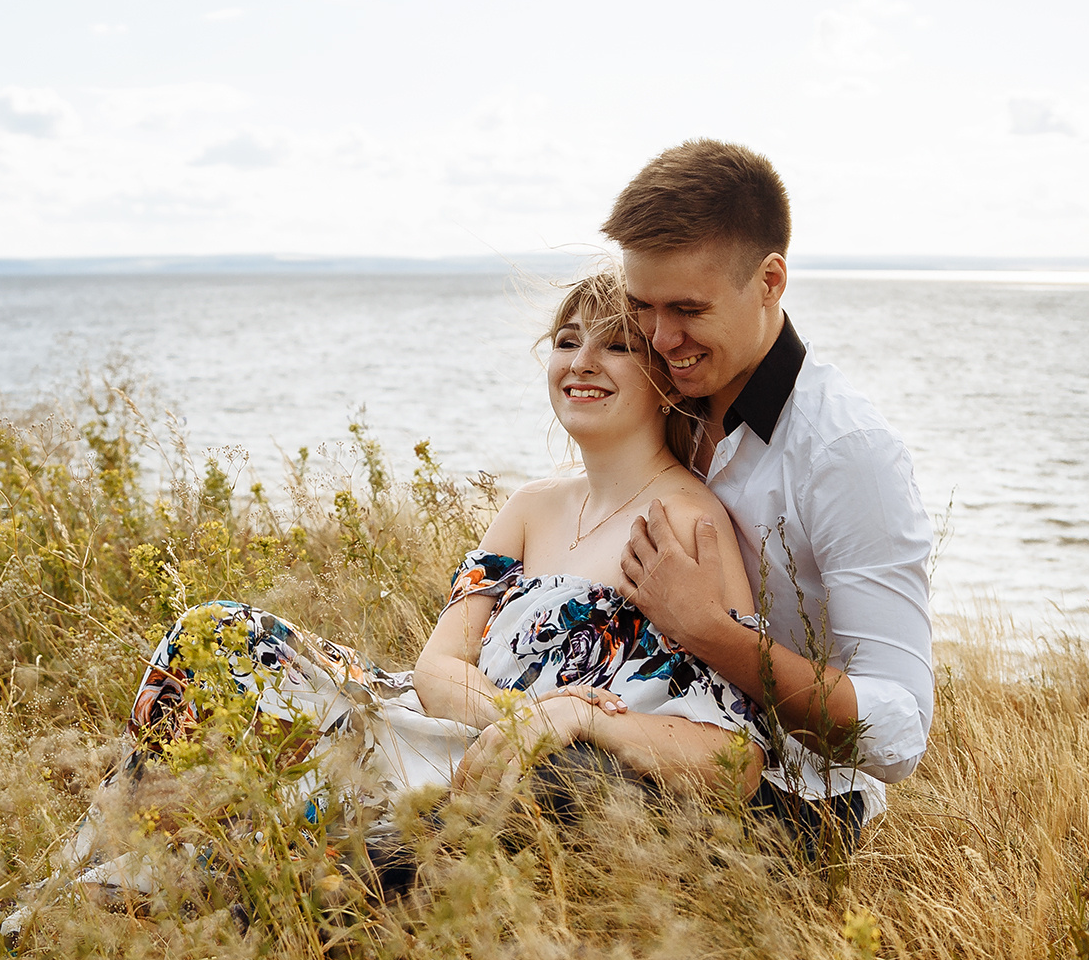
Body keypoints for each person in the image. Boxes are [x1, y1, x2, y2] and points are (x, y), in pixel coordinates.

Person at [79, 269, 761, 903]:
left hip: (514, 782)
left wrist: (573, 718)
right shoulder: (531, 506)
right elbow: (437, 668)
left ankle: (150, 882)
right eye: (566, 340)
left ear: (665, 380)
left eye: (615, 346)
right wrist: (520, 719)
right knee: (213, 634)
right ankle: (100, 858)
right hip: (440, 724)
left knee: (277, 811)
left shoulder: (686, 521)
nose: (581, 362)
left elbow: (732, 756)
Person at [603, 139, 936, 853]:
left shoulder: (848, 454)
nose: (661, 339)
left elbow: (900, 729)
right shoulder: (658, 398)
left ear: (771, 281)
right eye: (641, 307)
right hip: (646, 739)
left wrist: (713, 631)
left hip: (798, 799)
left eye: (688, 309)